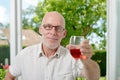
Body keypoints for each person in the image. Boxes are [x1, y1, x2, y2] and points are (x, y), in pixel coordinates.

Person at [5, 11, 100, 80]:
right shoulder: (24, 55)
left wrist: (86, 60)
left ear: (64, 33)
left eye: (58, 28)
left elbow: (95, 77)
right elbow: (9, 76)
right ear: (40, 30)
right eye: (48, 27)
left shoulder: (71, 57)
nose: (53, 32)